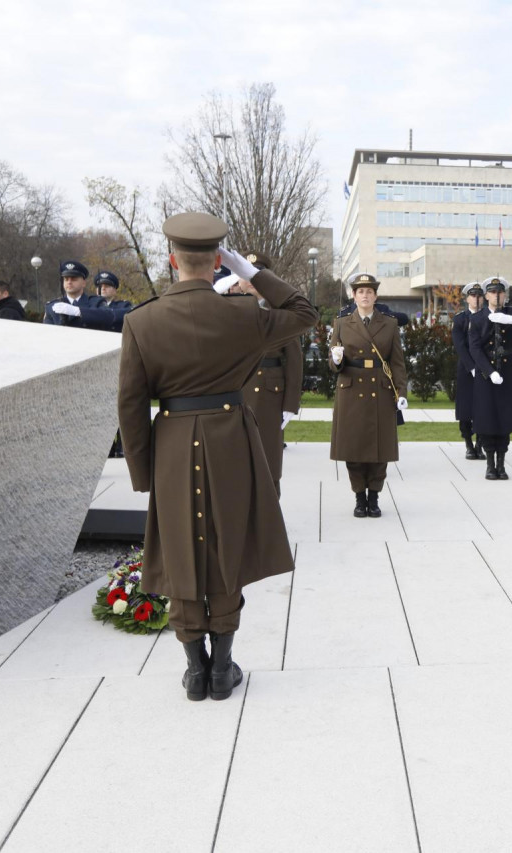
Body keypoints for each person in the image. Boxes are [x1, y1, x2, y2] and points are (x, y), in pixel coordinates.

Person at [118, 212, 318, 701]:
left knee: (184, 548)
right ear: (216, 263)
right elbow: (304, 312)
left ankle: (196, 671)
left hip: (170, 445)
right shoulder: (243, 313)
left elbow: (129, 404)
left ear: (171, 261)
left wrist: (144, 474)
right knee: (225, 544)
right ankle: (223, 669)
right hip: (231, 437)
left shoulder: (140, 321)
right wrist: (250, 272)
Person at [329, 273, 409, 516]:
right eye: (360, 291)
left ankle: (373, 498)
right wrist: (335, 360)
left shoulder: (389, 323)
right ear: (353, 296)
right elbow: (334, 363)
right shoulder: (341, 323)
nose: (365, 295)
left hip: (380, 390)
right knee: (353, 449)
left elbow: (397, 362)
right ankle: (358, 498)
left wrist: (401, 391)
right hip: (351, 389)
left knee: (379, 450)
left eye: (369, 292)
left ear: (375, 296)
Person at [229, 252, 304, 495]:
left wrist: (291, 404)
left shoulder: (280, 311)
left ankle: (269, 523)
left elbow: (294, 360)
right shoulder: (227, 308)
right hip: (235, 392)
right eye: (245, 275)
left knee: (269, 459)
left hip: (270, 395)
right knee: (236, 460)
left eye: (256, 275)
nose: (249, 280)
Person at [467, 276, 512, 480]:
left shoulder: (511, 313)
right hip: (487, 374)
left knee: (505, 420)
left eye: (500, 292)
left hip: (508, 372)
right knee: (488, 419)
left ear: (505, 295)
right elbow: (474, 348)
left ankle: (502, 464)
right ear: (486, 295)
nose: (497, 296)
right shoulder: (477, 318)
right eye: (492, 292)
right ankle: (490, 465)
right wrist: (489, 372)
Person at [453, 282, 486, 460]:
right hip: (466, 370)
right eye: (473, 295)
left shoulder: (490, 317)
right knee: (465, 409)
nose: (477, 299)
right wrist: (472, 367)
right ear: (467, 299)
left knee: (483, 408)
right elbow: (460, 346)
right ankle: (468, 444)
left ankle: (480, 444)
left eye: (480, 295)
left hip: (485, 369)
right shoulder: (460, 319)